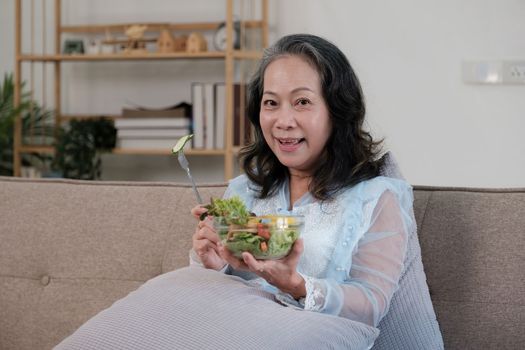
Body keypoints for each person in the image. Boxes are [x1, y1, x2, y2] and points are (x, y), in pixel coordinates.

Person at [190, 33, 414, 328]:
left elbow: (371, 305)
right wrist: (215, 266)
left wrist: (297, 285)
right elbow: (213, 301)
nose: (283, 120)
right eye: (271, 102)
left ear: (337, 110)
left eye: (302, 102)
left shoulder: (374, 198)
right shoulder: (244, 191)